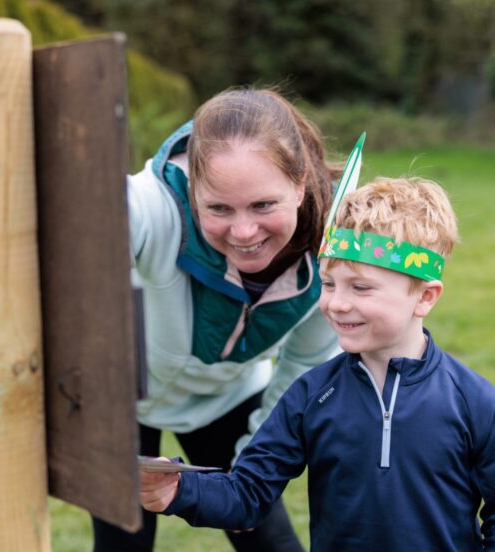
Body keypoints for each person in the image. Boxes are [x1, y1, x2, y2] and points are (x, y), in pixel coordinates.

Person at [140, 177, 495, 550]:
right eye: (328, 284)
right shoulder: (312, 395)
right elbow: (248, 493)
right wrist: (178, 490)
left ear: (424, 297)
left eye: (360, 287)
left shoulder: (474, 402)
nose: (337, 303)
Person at [97, 88, 341, 551]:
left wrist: (254, 472)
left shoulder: (330, 252)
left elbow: (304, 367)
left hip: (226, 398)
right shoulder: (153, 205)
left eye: (263, 205)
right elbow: (93, 221)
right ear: (192, 191)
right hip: (122, 397)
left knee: (269, 541)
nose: (244, 232)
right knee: (122, 545)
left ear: (300, 183)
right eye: (219, 208)